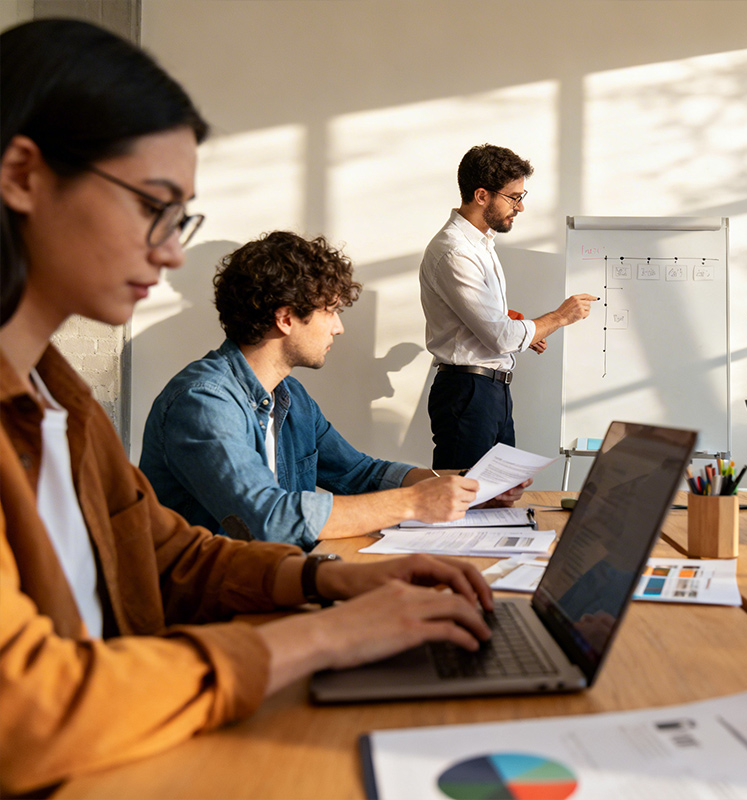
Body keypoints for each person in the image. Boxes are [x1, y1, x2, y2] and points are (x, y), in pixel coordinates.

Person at [0, 19, 493, 795]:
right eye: (152, 207)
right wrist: (324, 636)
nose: (168, 253)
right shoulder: (192, 399)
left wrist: (331, 584)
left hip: (133, 737)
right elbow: (25, 710)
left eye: (180, 219)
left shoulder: (59, 396)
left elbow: (172, 556)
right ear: (24, 176)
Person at [140, 231, 528, 550]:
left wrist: (466, 486)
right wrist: (413, 502)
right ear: (286, 318)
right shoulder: (203, 401)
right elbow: (268, 520)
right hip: (212, 612)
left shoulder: (289, 396)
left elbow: (361, 472)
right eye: (330, 311)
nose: (338, 327)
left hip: (276, 582)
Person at [420, 143, 598, 469]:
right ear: (482, 195)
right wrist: (559, 317)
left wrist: (517, 322)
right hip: (469, 392)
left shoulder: (481, 244)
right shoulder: (455, 251)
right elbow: (501, 337)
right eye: (513, 197)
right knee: (466, 505)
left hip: (490, 393)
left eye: (521, 196)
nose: (520, 207)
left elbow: (482, 318)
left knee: (498, 497)